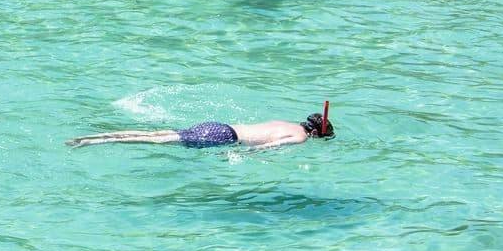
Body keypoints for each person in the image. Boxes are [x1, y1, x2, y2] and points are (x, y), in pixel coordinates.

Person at [68, 102, 332, 150]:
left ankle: (94, 136)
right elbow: (266, 148)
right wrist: (241, 156)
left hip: (220, 126)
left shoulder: (284, 122)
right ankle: (95, 142)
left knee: (155, 134)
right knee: (153, 140)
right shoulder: (300, 138)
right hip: (222, 139)